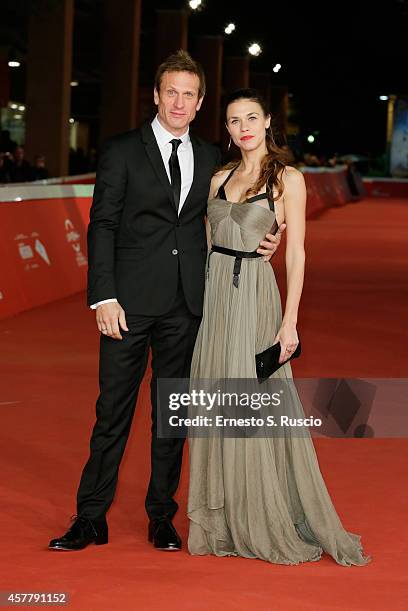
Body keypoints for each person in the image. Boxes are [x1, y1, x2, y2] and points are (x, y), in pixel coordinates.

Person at [49, 52, 284, 552]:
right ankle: (90, 516)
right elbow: (103, 225)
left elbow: (235, 212)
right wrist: (103, 297)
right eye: (170, 92)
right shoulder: (120, 151)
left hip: (187, 305)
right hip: (127, 305)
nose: (179, 102)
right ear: (156, 96)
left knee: (171, 415)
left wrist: (270, 238)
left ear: (199, 104)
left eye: (189, 94)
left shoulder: (209, 161)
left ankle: (162, 516)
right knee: (113, 411)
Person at [187, 88, 371, 566]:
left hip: (255, 297)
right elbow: (210, 242)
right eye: (233, 120)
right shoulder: (219, 177)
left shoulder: (288, 178)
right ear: (225, 129)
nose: (243, 127)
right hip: (217, 300)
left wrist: (289, 324)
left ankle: (261, 515)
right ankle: (222, 519)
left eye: (252, 117)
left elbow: (297, 253)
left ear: (268, 121)